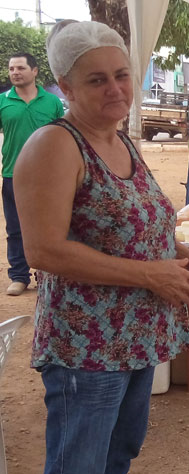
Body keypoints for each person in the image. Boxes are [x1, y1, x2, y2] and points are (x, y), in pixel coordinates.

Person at [14, 20, 189, 474]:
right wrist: (152, 274)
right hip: (88, 347)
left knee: (116, 460)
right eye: (96, 79)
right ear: (65, 86)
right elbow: (43, 249)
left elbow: (132, 223)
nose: (115, 88)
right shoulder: (56, 145)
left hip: (135, 338)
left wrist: (178, 254)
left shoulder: (120, 139)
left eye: (121, 74)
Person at [0, 53, 64, 296]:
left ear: (35, 71)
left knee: (53, 227)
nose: (15, 72)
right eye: (11, 68)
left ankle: (48, 275)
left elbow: (62, 137)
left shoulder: (52, 102)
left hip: (49, 176)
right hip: (13, 175)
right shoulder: (2, 102)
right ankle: (19, 276)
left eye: (20, 67)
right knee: (16, 228)